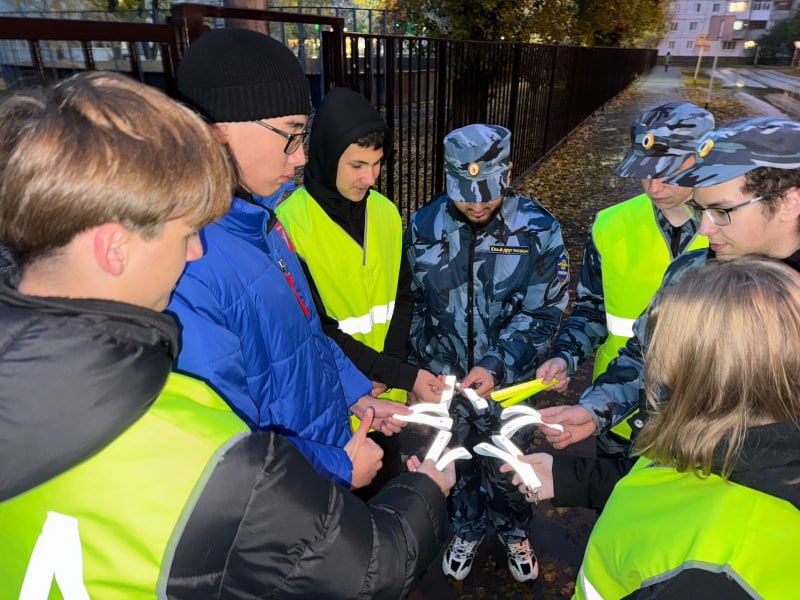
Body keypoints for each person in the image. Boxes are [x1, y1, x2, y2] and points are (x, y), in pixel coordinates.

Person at [0, 71, 453, 598]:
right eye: (185, 233)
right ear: (113, 247)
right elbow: (367, 570)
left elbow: (303, 337)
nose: (194, 252)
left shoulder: (67, 384)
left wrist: (353, 395)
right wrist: (427, 486)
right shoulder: (193, 442)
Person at [167, 28, 410, 491]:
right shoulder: (185, 264)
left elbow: (306, 337)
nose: (300, 157)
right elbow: (219, 445)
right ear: (220, 132)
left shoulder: (263, 222)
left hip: (323, 456)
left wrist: (357, 397)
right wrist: (335, 467)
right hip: (289, 497)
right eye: (291, 135)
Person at [528, 118, 800, 509]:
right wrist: (595, 410)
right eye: (702, 210)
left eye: (721, 211)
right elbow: (645, 356)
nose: (704, 229)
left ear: (789, 203)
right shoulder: (692, 271)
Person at [572, 257, 799, 598]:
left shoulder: (716, 572)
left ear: (703, 379)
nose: (649, 369)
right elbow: (671, 493)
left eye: (658, 351)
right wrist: (568, 478)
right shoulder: (720, 445)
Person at [405, 123, 570, 582]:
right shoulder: (422, 225)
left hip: (511, 387)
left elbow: (546, 311)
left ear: (508, 171)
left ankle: (515, 531)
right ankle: (467, 528)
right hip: (444, 385)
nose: (477, 204)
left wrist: (497, 362)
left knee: (509, 465)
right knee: (455, 462)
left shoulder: (538, 228)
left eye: (487, 194)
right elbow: (414, 305)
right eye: (464, 194)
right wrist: (414, 373)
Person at [276, 86, 444, 496]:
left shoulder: (384, 212)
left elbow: (403, 297)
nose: (369, 178)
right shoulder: (288, 224)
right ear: (327, 156)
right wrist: (397, 374)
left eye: (377, 164)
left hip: (384, 401)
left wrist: (390, 371)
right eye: (356, 165)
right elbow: (316, 327)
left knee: (384, 500)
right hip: (331, 407)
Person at [536, 102, 711, 455]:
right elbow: (593, 308)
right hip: (616, 413)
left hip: (704, 425)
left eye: (668, 171)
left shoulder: (739, 232)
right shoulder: (611, 224)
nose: (654, 185)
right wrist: (565, 355)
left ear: (704, 158)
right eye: (645, 171)